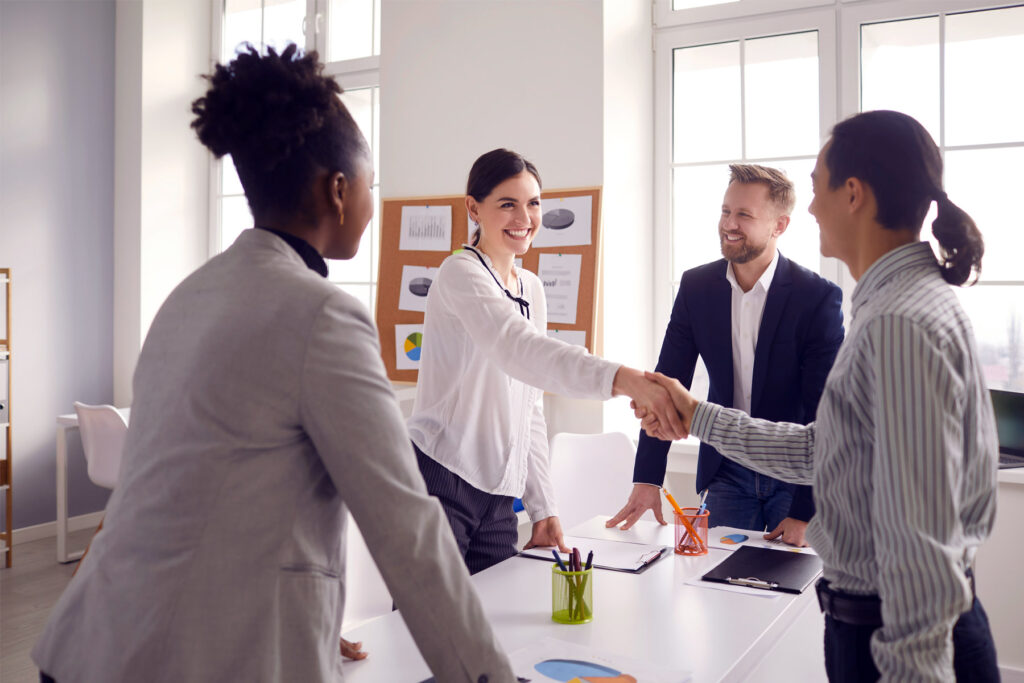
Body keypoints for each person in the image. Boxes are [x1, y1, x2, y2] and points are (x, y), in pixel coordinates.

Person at [32, 45, 518, 683]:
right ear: (338, 191)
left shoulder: (190, 295)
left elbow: (190, 495)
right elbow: (407, 528)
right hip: (186, 659)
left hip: (89, 640)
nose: (374, 204)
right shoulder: (323, 315)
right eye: (373, 185)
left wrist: (301, 617)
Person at [641, 110, 1000, 682]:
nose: (809, 209)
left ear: (852, 194)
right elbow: (823, 451)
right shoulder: (901, 305)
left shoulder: (896, 322)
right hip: (880, 625)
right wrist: (698, 416)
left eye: (815, 189)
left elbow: (922, 548)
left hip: (892, 641)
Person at [406, 148, 685, 575]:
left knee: (492, 624)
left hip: (499, 492)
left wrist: (543, 506)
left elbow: (529, 407)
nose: (525, 217)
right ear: (473, 208)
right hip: (442, 478)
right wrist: (625, 379)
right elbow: (518, 349)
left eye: (533, 203)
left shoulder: (531, 288)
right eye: (507, 204)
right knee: (423, 624)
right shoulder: (459, 273)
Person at [608, 164, 844, 547]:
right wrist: (648, 479)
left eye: (744, 215)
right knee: (715, 587)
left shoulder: (817, 297)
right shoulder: (697, 286)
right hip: (725, 472)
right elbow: (666, 383)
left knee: (787, 593)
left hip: (794, 478)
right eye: (725, 211)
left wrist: (807, 511)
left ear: (779, 225)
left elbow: (825, 413)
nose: (729, 224)